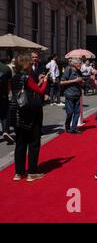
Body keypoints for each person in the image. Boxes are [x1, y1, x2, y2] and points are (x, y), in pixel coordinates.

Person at [9, 54, 48, 182]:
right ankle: (32, 172)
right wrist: (45, 82)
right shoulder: (27, 77)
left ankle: (18, 173)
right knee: (33, 142)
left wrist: (38, 82)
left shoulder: (14, 77)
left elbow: (22, 92)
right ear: (26, 64)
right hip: (30, 113)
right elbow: (40, 91)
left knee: (20, 143)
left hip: (17, 112)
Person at [60, 58, 84, 134]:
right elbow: (62, 82)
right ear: (74, 64)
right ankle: (67, 125)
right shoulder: (68, 70)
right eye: (79, 63)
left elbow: (80, 82)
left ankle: (74, 128)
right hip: (69, 94)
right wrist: (74, 80)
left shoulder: (79, 71)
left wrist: (81, 82)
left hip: (77, 94)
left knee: (77, 112)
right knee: (70, 112)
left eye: (81, 63)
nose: (81, 65)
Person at [0, 60, 13, 144]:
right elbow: (9, 83)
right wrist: (10, 93)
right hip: (3, 95)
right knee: (4, 114)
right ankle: (5, 131)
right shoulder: (6, 68)